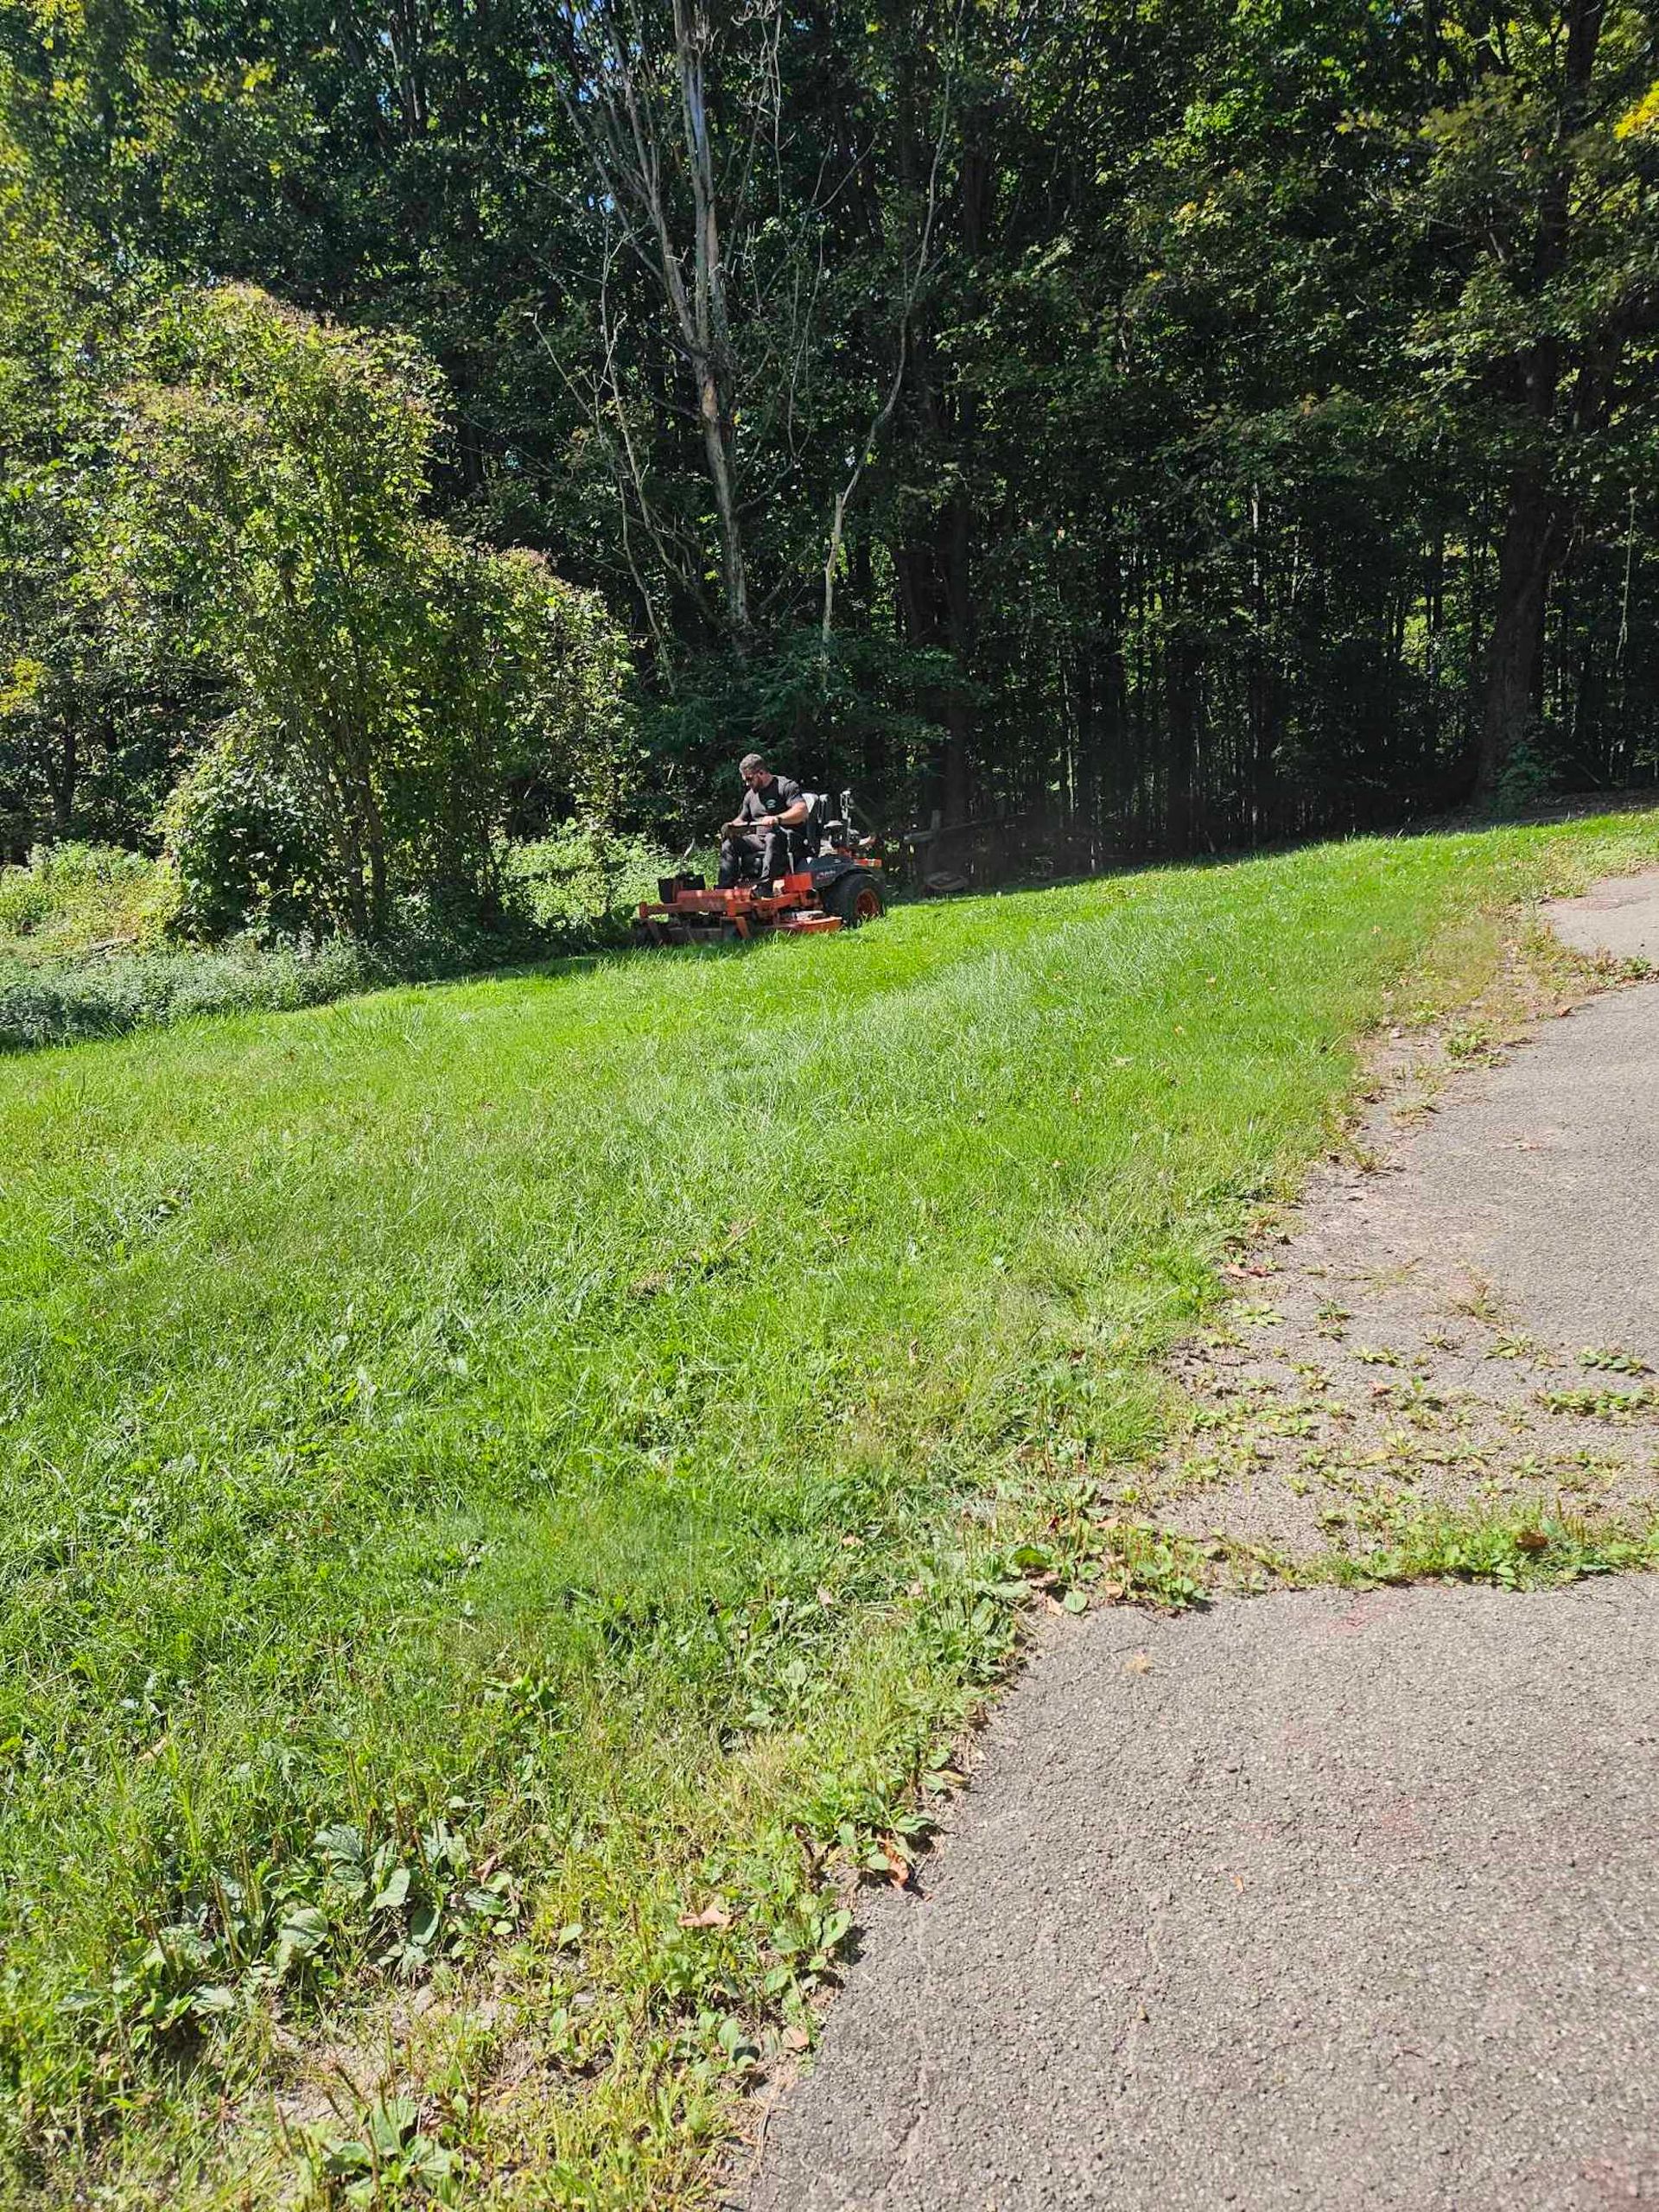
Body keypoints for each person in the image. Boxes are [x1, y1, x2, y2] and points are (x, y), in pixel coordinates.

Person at [718, 753, 810, 888]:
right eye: (745, 780)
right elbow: (742, 819)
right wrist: (731, 826)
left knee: (771, 837)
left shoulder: (785, 786)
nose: (747, 784)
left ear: (761, 772)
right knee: (730, 844)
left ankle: (765, 886)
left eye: (749, 779)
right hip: (760, 839)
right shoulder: (750, 796)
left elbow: (802, 811)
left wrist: (777, 819)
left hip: (788, 839)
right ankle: (725, 889)